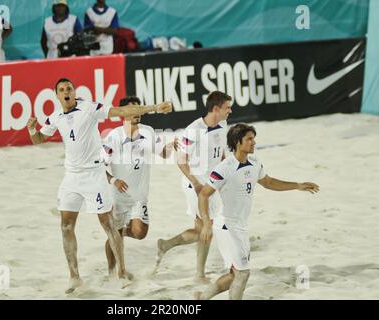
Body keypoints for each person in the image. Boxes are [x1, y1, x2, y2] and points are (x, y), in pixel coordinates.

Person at [26, 78, 172, 294]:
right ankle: (74, 277)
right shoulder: (54, 117)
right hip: (71, 177)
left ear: (74, 92)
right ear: (56, 95)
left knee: (109, 225)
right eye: (62, 90)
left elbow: (122, 110)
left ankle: (121, 273)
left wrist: (154, 108)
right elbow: (39, 139)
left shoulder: (90, 107)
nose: (67, 92)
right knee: (66, 226)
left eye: (70, 88)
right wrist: (31, 130)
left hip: (94, 175)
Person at [195, 123, 319, 300]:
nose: (254, 142)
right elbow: (203, 195)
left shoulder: (254, 163)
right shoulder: (224, 167)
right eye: (249, 139)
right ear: (238, 142)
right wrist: (206, 223)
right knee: (243, 274)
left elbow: (268, 182)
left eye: (254, 138)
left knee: (233, 275)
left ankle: (201, 298)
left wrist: (297, 186)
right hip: (226, 226)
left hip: (241, 227)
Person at [155, 91, 232, 283]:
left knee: (201, 230)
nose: (230, 111)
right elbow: (181, 161)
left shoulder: (222, 125)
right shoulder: (193, 130)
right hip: (195, 184)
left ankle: (166, 244)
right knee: (208, 227)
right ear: (216, 109)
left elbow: (220, 152)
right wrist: (196, 183)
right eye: (227, 107)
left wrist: (227, 172)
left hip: (213, 182)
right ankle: (199, 274)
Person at [102, 96, 176, 276]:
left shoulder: (148, 131)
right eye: (132, 109)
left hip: (138, 196)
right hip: (117, 196)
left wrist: (171, 146)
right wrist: (114, 181)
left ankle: (119, 236)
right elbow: (99, 166)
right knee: (114, 234)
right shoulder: (113, 136)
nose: (137, 112)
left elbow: (164, 154)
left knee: (140, 232)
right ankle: (113, 271)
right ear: (123, 114)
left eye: (139, 108)